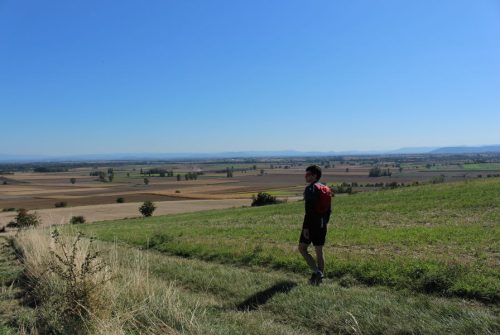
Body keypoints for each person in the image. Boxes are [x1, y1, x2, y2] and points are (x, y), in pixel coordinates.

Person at [298, 165, 331, 285]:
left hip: (311, 224)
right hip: (322, 224)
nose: (305, 176)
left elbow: (309, 210)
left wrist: (306, 227)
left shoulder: (310, 189)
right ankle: (319, 280)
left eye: (308, 175)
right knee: (319, 251)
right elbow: (328, 210)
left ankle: (317, 272)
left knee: (302, 248)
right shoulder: (326, 188)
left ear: (314, 176)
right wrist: (324, 222)